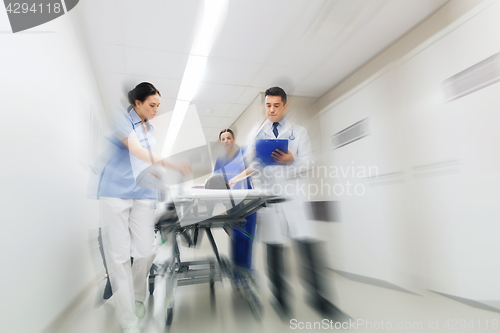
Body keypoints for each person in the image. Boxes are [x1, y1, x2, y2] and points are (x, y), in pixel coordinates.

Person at [229, 87, 345, 321]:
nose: (271, 110)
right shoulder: (256, 133)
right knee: (274, 251)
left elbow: (310, 161)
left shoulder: (298, 132)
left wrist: (293, 160)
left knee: (308, 249)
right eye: (268, 105)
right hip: (271, 200)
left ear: (285, 105)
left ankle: (319, 298)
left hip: (294, 198)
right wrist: (253, 156)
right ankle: (280, 297)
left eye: (276, 105)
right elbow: (252, 166)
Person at [98, 82, 190, 333]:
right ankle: (128, 323)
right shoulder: (122, 117)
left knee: (146, 251)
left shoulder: (152, 130)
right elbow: (136, 150)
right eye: (152, 105)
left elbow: (146, 161)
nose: (156, 109)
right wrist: (172, 165)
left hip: (142, 193)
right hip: (115, 193)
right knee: (118, 259)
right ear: (137, 103)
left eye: (159, 105)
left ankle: (138, 296)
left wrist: (157, 174)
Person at [214, 129, 257, 274]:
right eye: (223, 139)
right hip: (232, 203)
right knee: (237, 237)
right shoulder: (220, 160)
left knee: (248, 237)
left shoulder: (244, 151)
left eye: (228, 138)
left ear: (234, 139)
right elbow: (217, 179)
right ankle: (237, 273)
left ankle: (247, 270)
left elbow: (254, 166)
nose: (226, 141)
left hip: (249, 201)